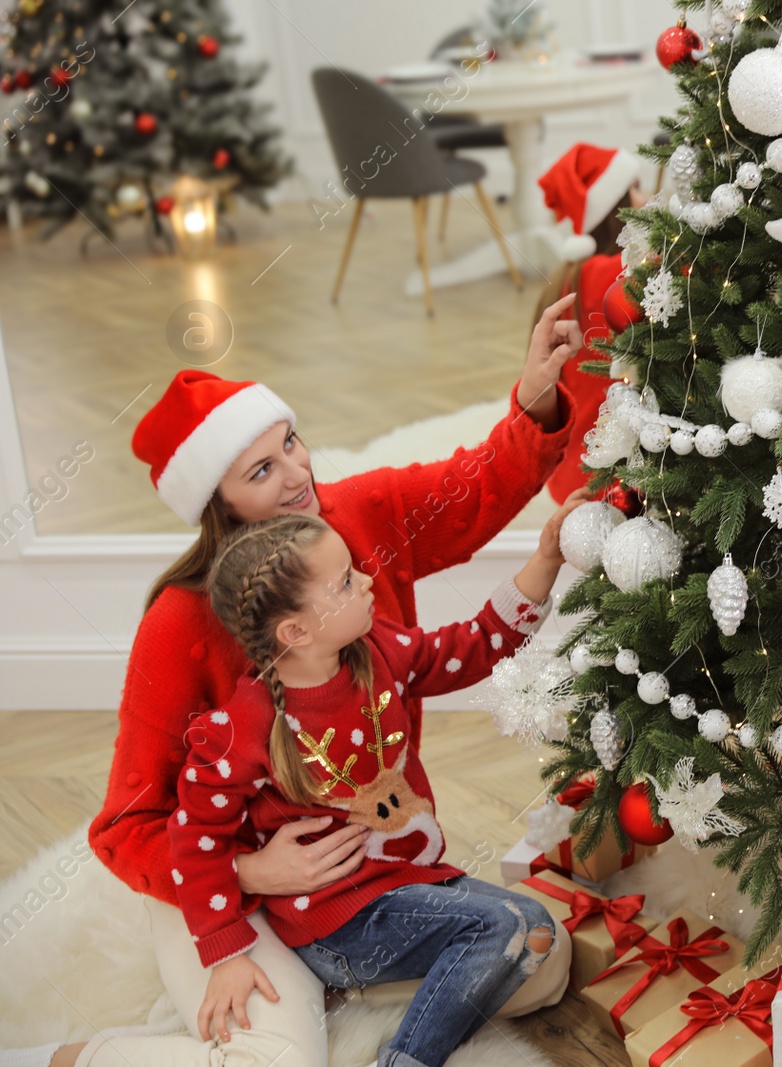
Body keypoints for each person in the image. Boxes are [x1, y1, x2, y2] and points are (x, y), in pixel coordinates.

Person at [6, 301, 582, 1067]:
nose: (300, 473)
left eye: (291, 443)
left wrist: (536, 396)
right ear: (218, 502)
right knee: (278, 1061)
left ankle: (321, 994)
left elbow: (471, 496)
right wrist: (250, 872)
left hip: (361, 886)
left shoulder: (342, 528)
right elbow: (126, 824)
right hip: (222, 881)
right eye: (262, 470)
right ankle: (76, 1054)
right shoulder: (179, 626)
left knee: (540, 959)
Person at [167, 493, 585, 1067]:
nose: (366, 581)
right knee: (516, 923)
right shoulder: (240, 728)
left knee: (539, 939)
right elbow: (196, 839)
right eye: (343, 583)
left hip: (409, 884)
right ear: (294, 631)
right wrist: (226, 954)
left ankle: (379, 1002)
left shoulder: (378, 651)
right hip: (338, 925)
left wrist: (545, 559)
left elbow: (471, 646)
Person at [535, 141, 651, 502]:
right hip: (604, 478)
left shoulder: (571, 274)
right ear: (614, 210)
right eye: (634, 188)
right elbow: (682, 276)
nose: (645, 198)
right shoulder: (609, 275)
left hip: (569, 469)